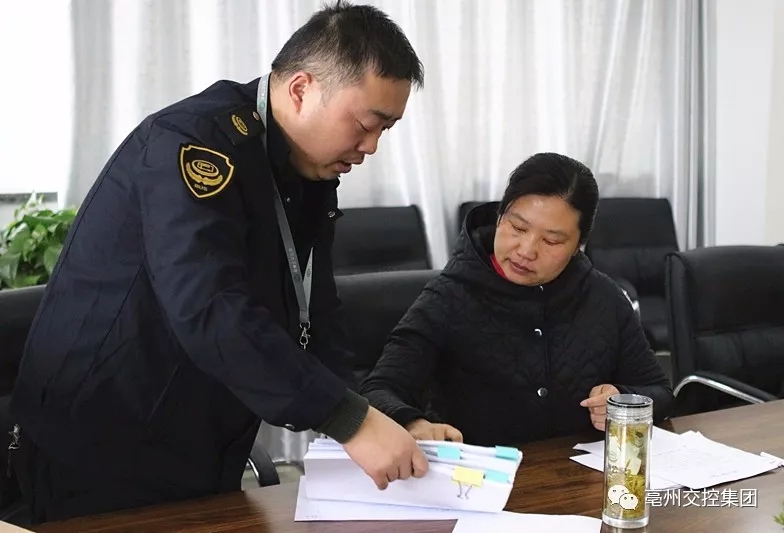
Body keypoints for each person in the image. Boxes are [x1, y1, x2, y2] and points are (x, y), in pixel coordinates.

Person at [9, 1, 428, 524]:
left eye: (386, 131)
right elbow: (209, 307)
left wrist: (381, 415)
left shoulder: (306, 173)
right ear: (301, 89)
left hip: (198, 441)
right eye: (367, 124)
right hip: (105, 444)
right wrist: (348, 420)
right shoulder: (194, 145)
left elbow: (315, 315)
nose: (371, 147)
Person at [360, 153, 674, 447]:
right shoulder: (448, 297)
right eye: (518, 227)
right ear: (499, 216)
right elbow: (378, 390)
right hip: (481, 478)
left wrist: (622, 400)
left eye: (551, 240)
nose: (526, 250)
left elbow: (659, 392)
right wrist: (412, 423)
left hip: (580, 477)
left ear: (579, 245)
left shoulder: (604, 297)